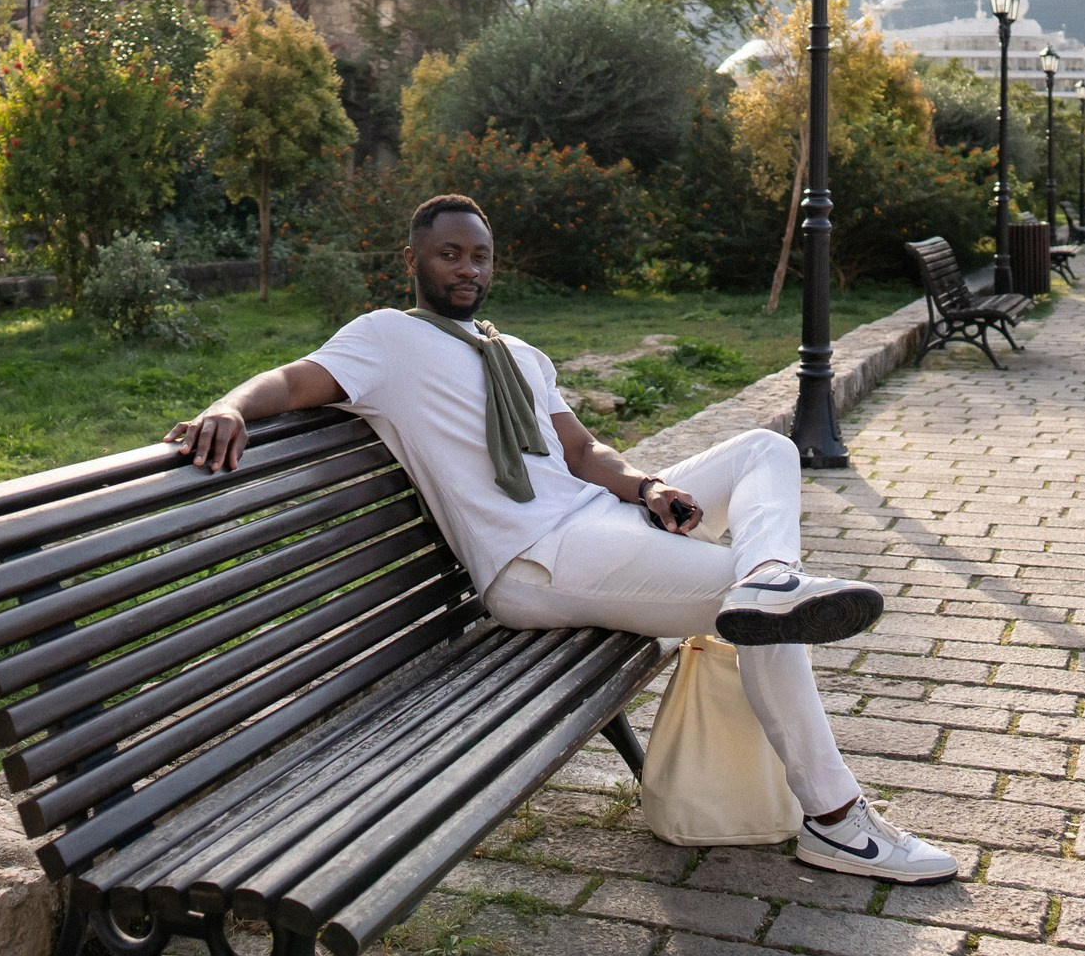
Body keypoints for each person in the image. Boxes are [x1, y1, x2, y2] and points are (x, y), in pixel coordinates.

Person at [167, 192, 958, 883]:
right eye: (448, 254)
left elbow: (581, 451)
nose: (467, 268)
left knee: (765, 450)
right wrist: (231, 406)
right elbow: (291, 379)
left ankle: (771, 574)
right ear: (412, 260)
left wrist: (645, 486)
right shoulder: (384, 339)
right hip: (533, 561)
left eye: (479, 255)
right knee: (755, 608)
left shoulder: (516, 351)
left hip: (595, 520)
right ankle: (836, 816)